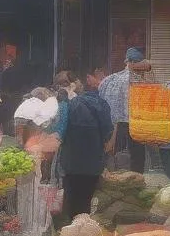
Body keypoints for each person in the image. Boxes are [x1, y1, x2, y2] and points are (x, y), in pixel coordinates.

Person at [58, 86, 113, 222]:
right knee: (87, 198)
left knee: (71, 197)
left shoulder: (69, 105)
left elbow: (60, 131)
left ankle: (70, 227)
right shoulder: (102, 105)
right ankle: (84, 225)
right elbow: (107, 133)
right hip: (93, 163)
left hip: (71, 163)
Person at [99, 48, 149, 173]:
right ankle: (135, 183)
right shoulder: (138, 81)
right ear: (133, 63)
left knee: (114, 158)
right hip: (135, 124)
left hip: (113, 125)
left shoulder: (109, 80)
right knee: (136, 160)